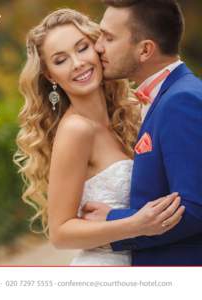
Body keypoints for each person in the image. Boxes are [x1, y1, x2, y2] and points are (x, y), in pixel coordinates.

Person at [14, 8, 184, 265]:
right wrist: (134, 225)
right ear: (50, 76)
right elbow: (60, 234)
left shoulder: (129, 115)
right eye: (61, 60)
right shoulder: (76, 130)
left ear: (98, 48)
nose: (78, 63)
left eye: (82, 48)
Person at [82, 0, 202, 265]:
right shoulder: (166, 97)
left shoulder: (181, 102)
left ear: (145, 50)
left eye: (109, 37)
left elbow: (195, 208)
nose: (98, 46)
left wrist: (114, 223)